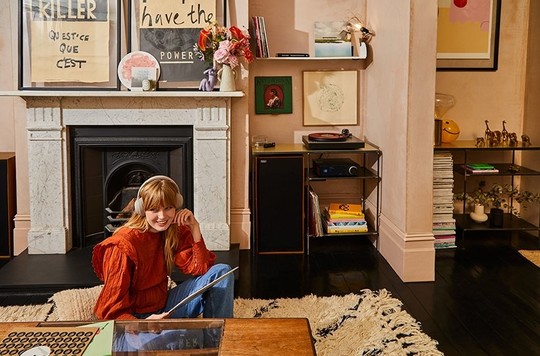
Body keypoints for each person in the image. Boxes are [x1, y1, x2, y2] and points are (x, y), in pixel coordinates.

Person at [92, 175, 234, 322]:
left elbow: (200, 269)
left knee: (222, 272)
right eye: (154, 209)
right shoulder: (122, 245)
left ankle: (220, 337)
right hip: (135, 318)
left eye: (168, 208)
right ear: (142, 210)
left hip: (164, 306)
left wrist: (194, 227)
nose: (162, 216)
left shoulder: (173, 231)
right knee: (174, 340)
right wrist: (143, 324)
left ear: (176, 206)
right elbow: (111, 310)